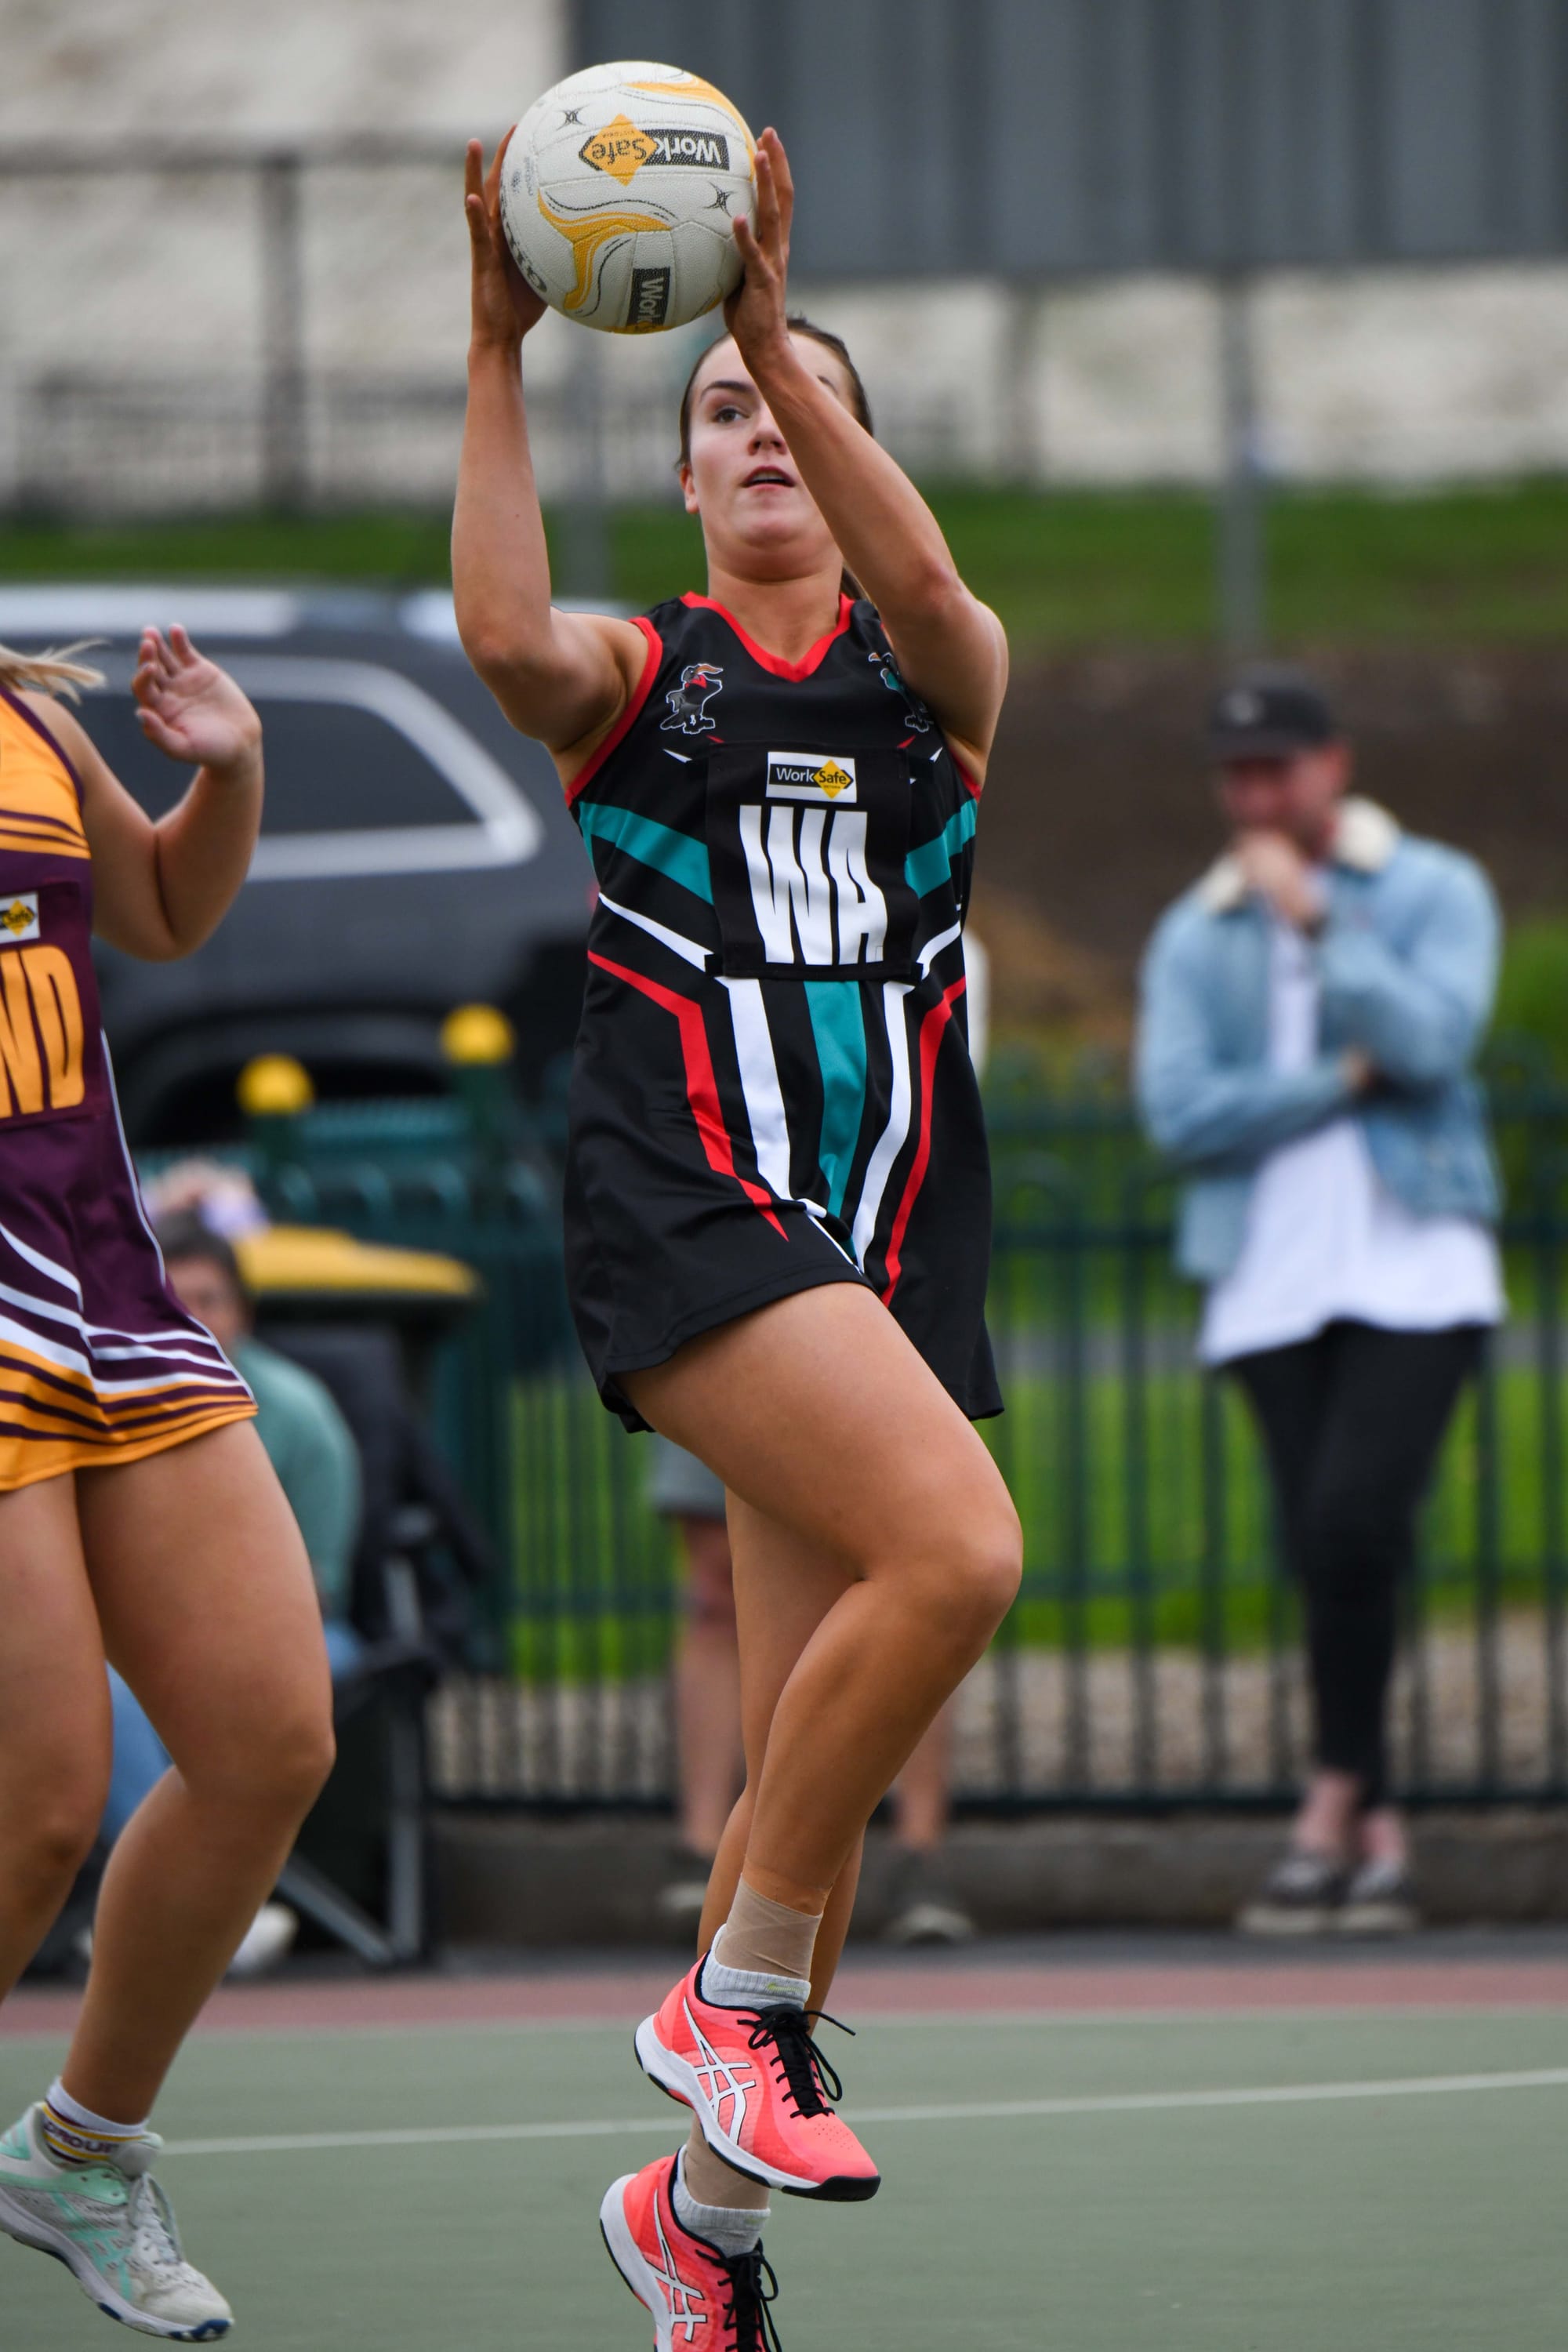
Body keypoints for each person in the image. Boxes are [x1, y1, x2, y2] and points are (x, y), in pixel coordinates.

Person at [457, 125, 1021, 2343]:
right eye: (717, 414)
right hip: (697, 1208)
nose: (760, 427)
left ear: (854, 454)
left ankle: (699, 2227)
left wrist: (770, 325)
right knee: (961, 1561)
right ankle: (729, 2013)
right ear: (690, 488)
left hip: (877, 1249)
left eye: (797, 409)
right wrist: (497, 352)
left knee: (819, 1748)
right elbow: (503, 632)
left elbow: (952, 598)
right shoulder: (652, 681)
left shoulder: (932, 699)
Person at [0, 626, 335, 2338]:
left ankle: (78, 2149)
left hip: (104, 1282)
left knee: (271, 1737)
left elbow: (163, 910)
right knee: (41, 1796)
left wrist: (232, 769)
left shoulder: (28, 722)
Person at [1136, 665, 1503, 1936]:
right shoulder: (1196, 929)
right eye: (1237, 772)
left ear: (1332, 766)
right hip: (1265, 1278)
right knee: (1332, 1547)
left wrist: (1324, 934)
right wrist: (1335, 1083)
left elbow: (1433, 1045)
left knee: (1355, 1520)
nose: (1256, 792)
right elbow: (1179, 1113)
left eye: (1277, 767)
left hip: (1419, 1262)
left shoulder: (1434, 889)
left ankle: (1328, 1805)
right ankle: (1380, 1835)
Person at [82, 1214, 365, 1980]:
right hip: (131, 1642)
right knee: (103, 1688)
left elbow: (318, 1587)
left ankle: (194, 1907)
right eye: (173, 1298)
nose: (193, 1316)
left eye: (210, 1297)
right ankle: (183, 1907)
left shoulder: (300, 1415)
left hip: (303, 1632)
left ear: (243, 1310)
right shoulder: (98, 1412)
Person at [651, 1436, 975, 1944]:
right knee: (721, 1586)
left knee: (928, 1583)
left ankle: (919, 1858)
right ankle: (704, 1854)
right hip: (736, 1363)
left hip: (894, 1366)